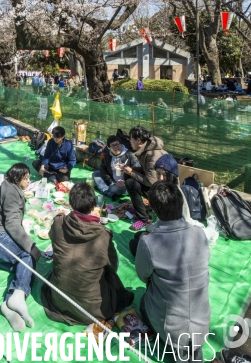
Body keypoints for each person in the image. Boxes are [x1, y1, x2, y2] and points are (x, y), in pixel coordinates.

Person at [135, 182, 210, 362]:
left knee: (144, 299)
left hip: (172, 329)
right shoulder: (200, 233)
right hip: (202, 322)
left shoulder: (149, 242)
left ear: (153, 209)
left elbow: (142, 275)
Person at [41, 183, 134, 325]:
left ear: (71, 204)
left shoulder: (59, 223)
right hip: (92, 310)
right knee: (111, 278)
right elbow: (112, 266)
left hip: (59, 301)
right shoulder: (103, 234)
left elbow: (53, 238)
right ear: (93, 205)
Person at [0, 163, 41, 331]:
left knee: (26, 267)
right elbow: (13, 225)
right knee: (27, 256)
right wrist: (32, 246)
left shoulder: (9, 186)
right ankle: (18, 297)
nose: (28, 181)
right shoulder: (12, 192)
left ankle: (8, 304)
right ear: (16, 178)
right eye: (26, 178)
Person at [129, 153, 192, 256]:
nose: (161, 178)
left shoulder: (175, 196)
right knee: (138, 235)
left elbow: (175, 229)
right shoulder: (164, 190)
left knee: (134, 243)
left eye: (165, 174)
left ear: (173, 175)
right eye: (158, 174)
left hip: (173, 240)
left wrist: (151, 230)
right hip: (165, 233)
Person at [122, 126, 166, 230]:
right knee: (129, 174)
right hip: (160, 186)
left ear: (138, 140)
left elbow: (151, 181)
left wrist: (132, 172)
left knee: (130, 183)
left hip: (164, 194)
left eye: (131, 139)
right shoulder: (149, 150)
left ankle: (144, 219)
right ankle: (142, 214)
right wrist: (130, 170)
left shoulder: (151, 155)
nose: (130, 142)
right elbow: (148, 171)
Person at [93, 136, 137, 200]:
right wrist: (111, 182)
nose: (116, 147)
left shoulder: (130, 155)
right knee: (96, 174)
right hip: (112, 181)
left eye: (117, 144)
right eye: (113, 145)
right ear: (109, 148)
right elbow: (103, 168)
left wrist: (125, 182)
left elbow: (136, 171)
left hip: (125, 184)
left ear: (121, 144)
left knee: (114, 189)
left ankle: (105, 189)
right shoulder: (108, 155)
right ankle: (107, 190)